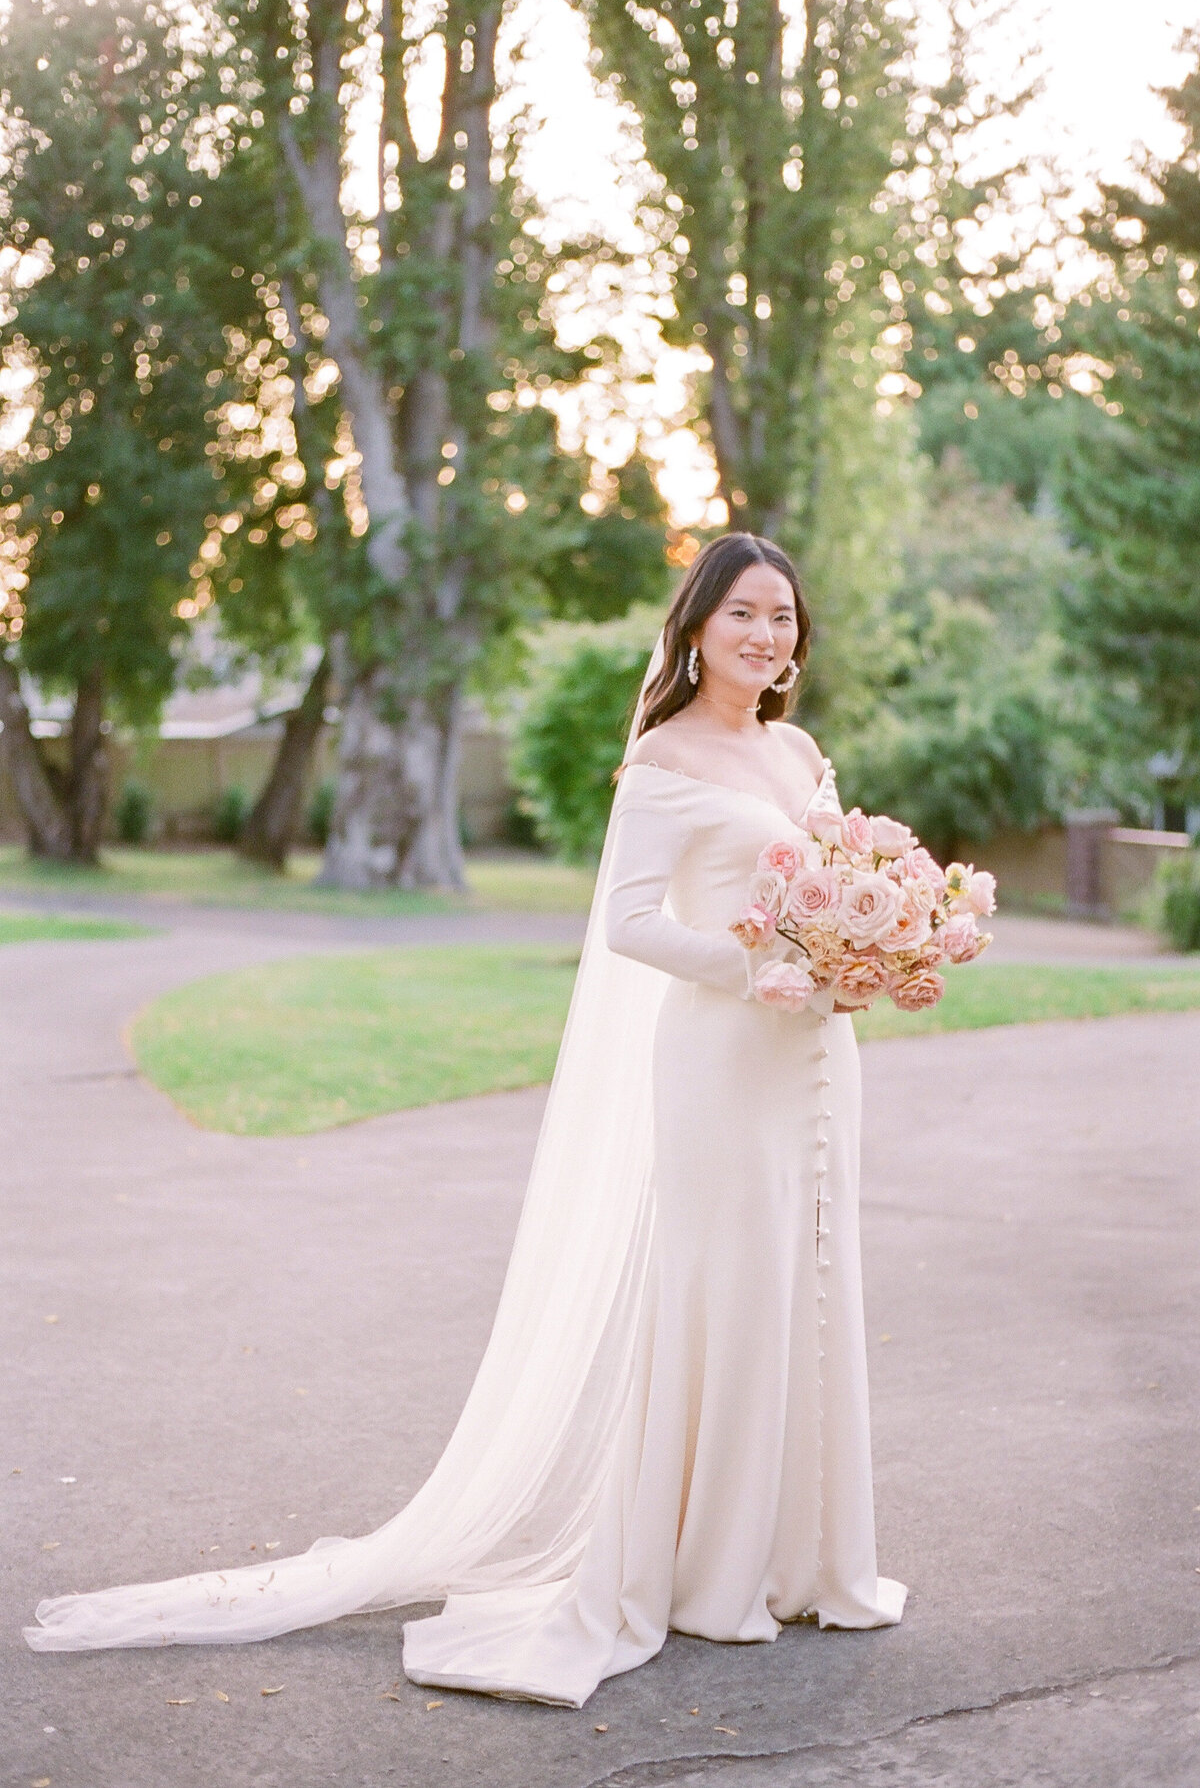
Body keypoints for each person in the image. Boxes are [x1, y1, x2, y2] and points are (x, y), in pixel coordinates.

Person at [26, 532, 905, 1706]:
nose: (766, 635)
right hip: (721, 1053)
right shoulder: (661, 759)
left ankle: (811, 1559)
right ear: (696, 627)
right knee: (725, 1291)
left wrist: (870, 947)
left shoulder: (798, 752)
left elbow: (844, 876)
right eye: (744, 612)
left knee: (811, 1279)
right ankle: (709, 1570)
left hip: (817, 1058)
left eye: (785, 619)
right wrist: (756, 972)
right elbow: (633, 922)